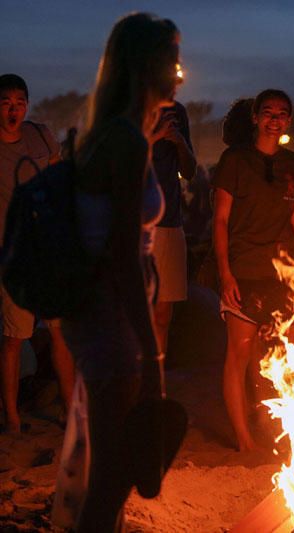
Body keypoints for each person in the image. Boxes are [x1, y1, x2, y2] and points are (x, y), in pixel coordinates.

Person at [54, 13, 180, 531]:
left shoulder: (113, 134)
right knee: (112, 474)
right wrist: (151, 352)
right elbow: (124, 254)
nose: (178, 68)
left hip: (98, 314)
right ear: (146, 65)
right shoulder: (125, 140)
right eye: (171, 56)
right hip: (110, 318)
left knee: (109, 465)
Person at [212, 89, 294, 452]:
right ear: (255, 117)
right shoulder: (235, 160)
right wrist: (225, 274)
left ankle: (275, 430)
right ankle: (244, 439)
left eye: (282, 113)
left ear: (288, 120)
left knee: (276, 357)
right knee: (239, 354)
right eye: (267, 112)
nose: (274, 118)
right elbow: (220, 221)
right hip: (244, 269)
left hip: (282, 275)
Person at [0, 73, 74, 433]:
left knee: (61, 331)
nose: (13, 110)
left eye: (19, 102)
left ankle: (69, 407)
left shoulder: (41, 134)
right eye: (5, 103)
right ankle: (12, 418)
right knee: (15, 337)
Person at [151, 101, 197, 356]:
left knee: (162, 315)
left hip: (168, 222)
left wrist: (178, 141)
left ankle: (156, 388)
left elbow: (189, 171)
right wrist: (155, 136)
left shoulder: (177, 112)